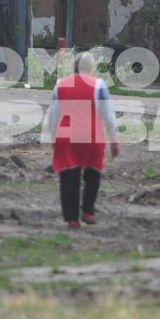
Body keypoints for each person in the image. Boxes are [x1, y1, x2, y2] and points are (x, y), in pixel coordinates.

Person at [46, 50, 119, 229]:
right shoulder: (99, 85)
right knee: (93, 175)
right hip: (92, 135)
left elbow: (53, 113)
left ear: (74, 67)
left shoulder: (60, 84)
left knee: (69, 177)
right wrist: (114, 139)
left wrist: (53, 136)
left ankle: (71, 218)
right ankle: (87, 212)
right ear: (92, 68)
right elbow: (108, 115)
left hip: (66, 135)